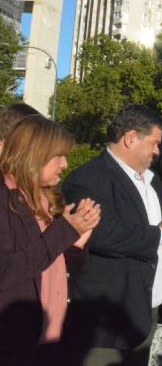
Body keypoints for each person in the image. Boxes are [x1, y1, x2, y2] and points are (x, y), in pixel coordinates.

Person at [61, 104, 162, 366]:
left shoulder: (152, 180)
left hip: (145, 310)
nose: (157, 151)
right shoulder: (87, 179)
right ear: (130, 138)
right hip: (107, 318)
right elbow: (102, 234)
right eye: (154, 143)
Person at [0, 115, 100, 365]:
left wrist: (76, 243)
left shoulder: (47, 198)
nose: (65, 163)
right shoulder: (5, 199)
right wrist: (66, 230)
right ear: (34, 154)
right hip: (13, 343)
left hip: (49, 337)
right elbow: (6, 271)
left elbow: (56, 265)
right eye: (58, 156)